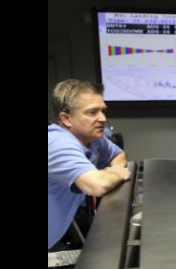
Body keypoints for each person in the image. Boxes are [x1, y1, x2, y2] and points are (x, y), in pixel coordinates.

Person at [48, 79, 131, 249]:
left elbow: (119, 155)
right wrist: (118, 173)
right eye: (92, 112)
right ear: (66, 119)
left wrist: (111, 171)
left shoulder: (92, 138)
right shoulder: (58, 143)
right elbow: (97, 185)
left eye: (102, 111)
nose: (102, 119)